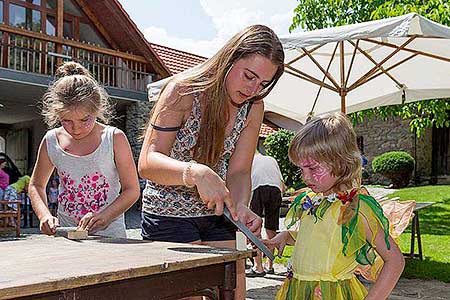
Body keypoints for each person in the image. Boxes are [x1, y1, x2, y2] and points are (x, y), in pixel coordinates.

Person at [138, 24, 284, 299]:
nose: (253, 89)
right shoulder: (182, 91)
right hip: (168, 213)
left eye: (263, 84)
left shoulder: (254, 107)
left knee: (234, 291)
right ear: (230, 59)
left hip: (219, 214)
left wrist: (240, 205)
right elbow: (147, 162)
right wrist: (194, 173)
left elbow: (240, 171)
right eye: (249, 76)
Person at [265, 113, 405, 300]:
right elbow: (321, 237)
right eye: (301, 169)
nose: (305, 178)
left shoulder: (355, 207)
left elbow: (395, 261)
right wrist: (286, 236)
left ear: (341, 162)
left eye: (313, 168)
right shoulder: (313, 201)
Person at [29, 61, 140, 238]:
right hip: (66, 234)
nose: (76, 128)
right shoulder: (51, 140)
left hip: (111, 236)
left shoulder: (114, 138)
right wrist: (44, 216)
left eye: (84, 120)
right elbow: (36, 185)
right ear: (57, 115)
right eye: (67, 121)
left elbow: (132, 190)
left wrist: (106, 216)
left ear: (97, 110)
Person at [246, 150, 284, 277]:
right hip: (275, 189)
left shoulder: (249, 160)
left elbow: (245, 183)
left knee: (255, 227)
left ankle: (258, 267)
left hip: (258, 188)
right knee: (271, 228)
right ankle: (270, 265)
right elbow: (282, 184)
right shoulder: (271, 159)